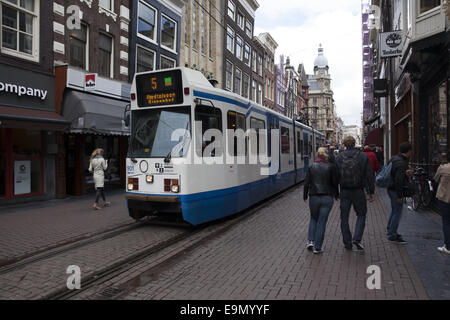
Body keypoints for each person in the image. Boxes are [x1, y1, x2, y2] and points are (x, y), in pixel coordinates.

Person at [336, 136, 375, 251]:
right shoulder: (362, 156)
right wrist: (370, 192)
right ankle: (357, 238)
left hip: (344, 191)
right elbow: (369, 175)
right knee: (361, 214)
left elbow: (334, 175)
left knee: (344, 217)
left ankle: (347, 242)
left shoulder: (339, 157)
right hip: (358, 190)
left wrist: (335, 191)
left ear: (344, 144)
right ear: (354, 143)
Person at [303, 147, 339, 254]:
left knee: (313, 218)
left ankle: (310, 241)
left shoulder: (311, 166)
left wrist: (305, 195)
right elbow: (335, 183)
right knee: (322, 222)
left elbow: (306, 183)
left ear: (317, 155)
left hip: (314, 196)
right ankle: (318, 247)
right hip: (327, 197)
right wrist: (337, 194)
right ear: (326, 155)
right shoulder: (331, 167)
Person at [387, 142, 414, 244]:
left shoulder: (394, 158)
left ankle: (390, 230)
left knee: (394, 211)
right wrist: (400, 195)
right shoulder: (401, 163)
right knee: (397, 212)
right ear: (409, 151)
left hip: (390, 188)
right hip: (395, 190)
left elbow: (394, 173)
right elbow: (398, 180)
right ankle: (392, 235)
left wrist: (405, 173)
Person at [433, 152, 450, 255]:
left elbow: (435, 179)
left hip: (445, 198)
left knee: (446, 221)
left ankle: (448, 246)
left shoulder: (443, 168)